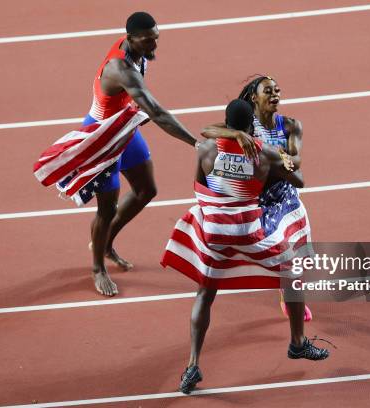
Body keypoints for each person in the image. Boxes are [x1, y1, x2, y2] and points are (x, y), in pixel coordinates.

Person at [161, 100, 329, 394]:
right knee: (292, 273)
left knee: (205, 292)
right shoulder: (265, 155)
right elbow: (299, 180)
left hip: (215, 234)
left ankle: (192, 366)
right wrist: (283, 161)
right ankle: (298, 343)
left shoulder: (205, 149)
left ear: (226, 126)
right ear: (252, 125)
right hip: (248, 232)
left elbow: (202, 187)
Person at [81, 12, 200, 296]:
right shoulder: (121, 68)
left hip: (123, 127)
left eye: (156, 39)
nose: (154, 46)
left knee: (146, 189)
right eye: (149, 41)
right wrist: (195, 143)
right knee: (106, 208)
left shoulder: (135, 49)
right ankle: (98, 267)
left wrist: (131, 112)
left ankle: (106, 242)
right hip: (102, 138)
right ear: (131, 38)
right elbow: (157, 113)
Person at [202, 75, 313, 321]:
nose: (275, 95)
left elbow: (296, 163)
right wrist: (238, 136)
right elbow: (207, 130)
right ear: (254, 98)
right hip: (258, 198)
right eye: (268, 91)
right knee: (270, 251)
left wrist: (276, 155)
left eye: (278, 90)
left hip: (284, 196)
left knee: (295, 250)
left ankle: (288, 295)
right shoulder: (247, 124)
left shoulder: (291, 125)